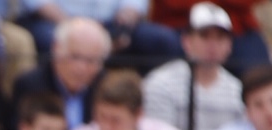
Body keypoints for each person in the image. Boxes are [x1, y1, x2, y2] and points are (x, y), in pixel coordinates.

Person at [142, 3, 243, 130]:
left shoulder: (237, 90)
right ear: (186, 41)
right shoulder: (159, 84)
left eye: (220, 37)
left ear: (230, 45)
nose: (212, 45)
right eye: (204, 36)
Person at [15, 0, 182, 75]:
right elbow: (37, 3)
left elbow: (135, 3)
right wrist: (83, 32)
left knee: (164, 41)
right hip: (56, 20)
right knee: (48, 41)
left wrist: (125, 20)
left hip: (113, 22)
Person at [10, 16, 109, 130]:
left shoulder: (106, 87)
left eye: (90, 61)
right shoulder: (30, 85)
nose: (81, 68)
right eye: (75, 57)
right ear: (56, 49)